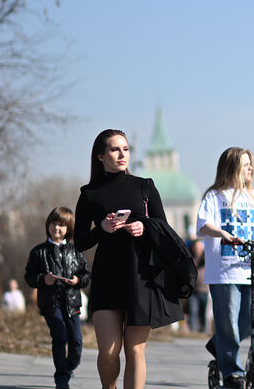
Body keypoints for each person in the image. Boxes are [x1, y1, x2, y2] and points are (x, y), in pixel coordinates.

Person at [75, 128, 182, 389]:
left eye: (125, 149)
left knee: (135, 352)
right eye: (114, 149)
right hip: (107, 277)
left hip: (140, 277)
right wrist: (102, 228)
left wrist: (144, 227)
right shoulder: (89, 194)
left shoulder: (144, 186)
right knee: (109, 351)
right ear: (100, 156)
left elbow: (164, 230)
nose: (122, 154)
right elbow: (79, 242)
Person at [197, 147, 254, 389]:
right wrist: (222, 232)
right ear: (232, 167)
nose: (250, 169)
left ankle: (219, 345)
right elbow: (203, 225)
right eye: (245, 164)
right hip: (224, 271)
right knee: (228, 323)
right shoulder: (215, 196)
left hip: (249, 270)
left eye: (250, 164)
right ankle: (232, 373)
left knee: (249, 322)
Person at [24, 207, 92, 389]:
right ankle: (61, 378)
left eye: (62, 225)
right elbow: (29, 277)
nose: (57, 228)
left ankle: (68, 368)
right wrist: (43, 280)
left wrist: (77, 280)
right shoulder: (38, 252)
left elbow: (86, 275)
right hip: (51, 303)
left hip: (72, 302)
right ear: (48, 225)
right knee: (60, 337)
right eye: (54, 223)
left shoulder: (76, 250)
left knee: (76, 341)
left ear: (68, 228)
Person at [187, 239, 210, 333]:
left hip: (204, 290)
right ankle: (193, 331)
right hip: (193, 290)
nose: (198, 249)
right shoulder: (190, 258)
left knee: (204, 313)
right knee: (193, 311)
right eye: (196, 247)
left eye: (200, 247)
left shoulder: (205, 258)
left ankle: (204, 331)